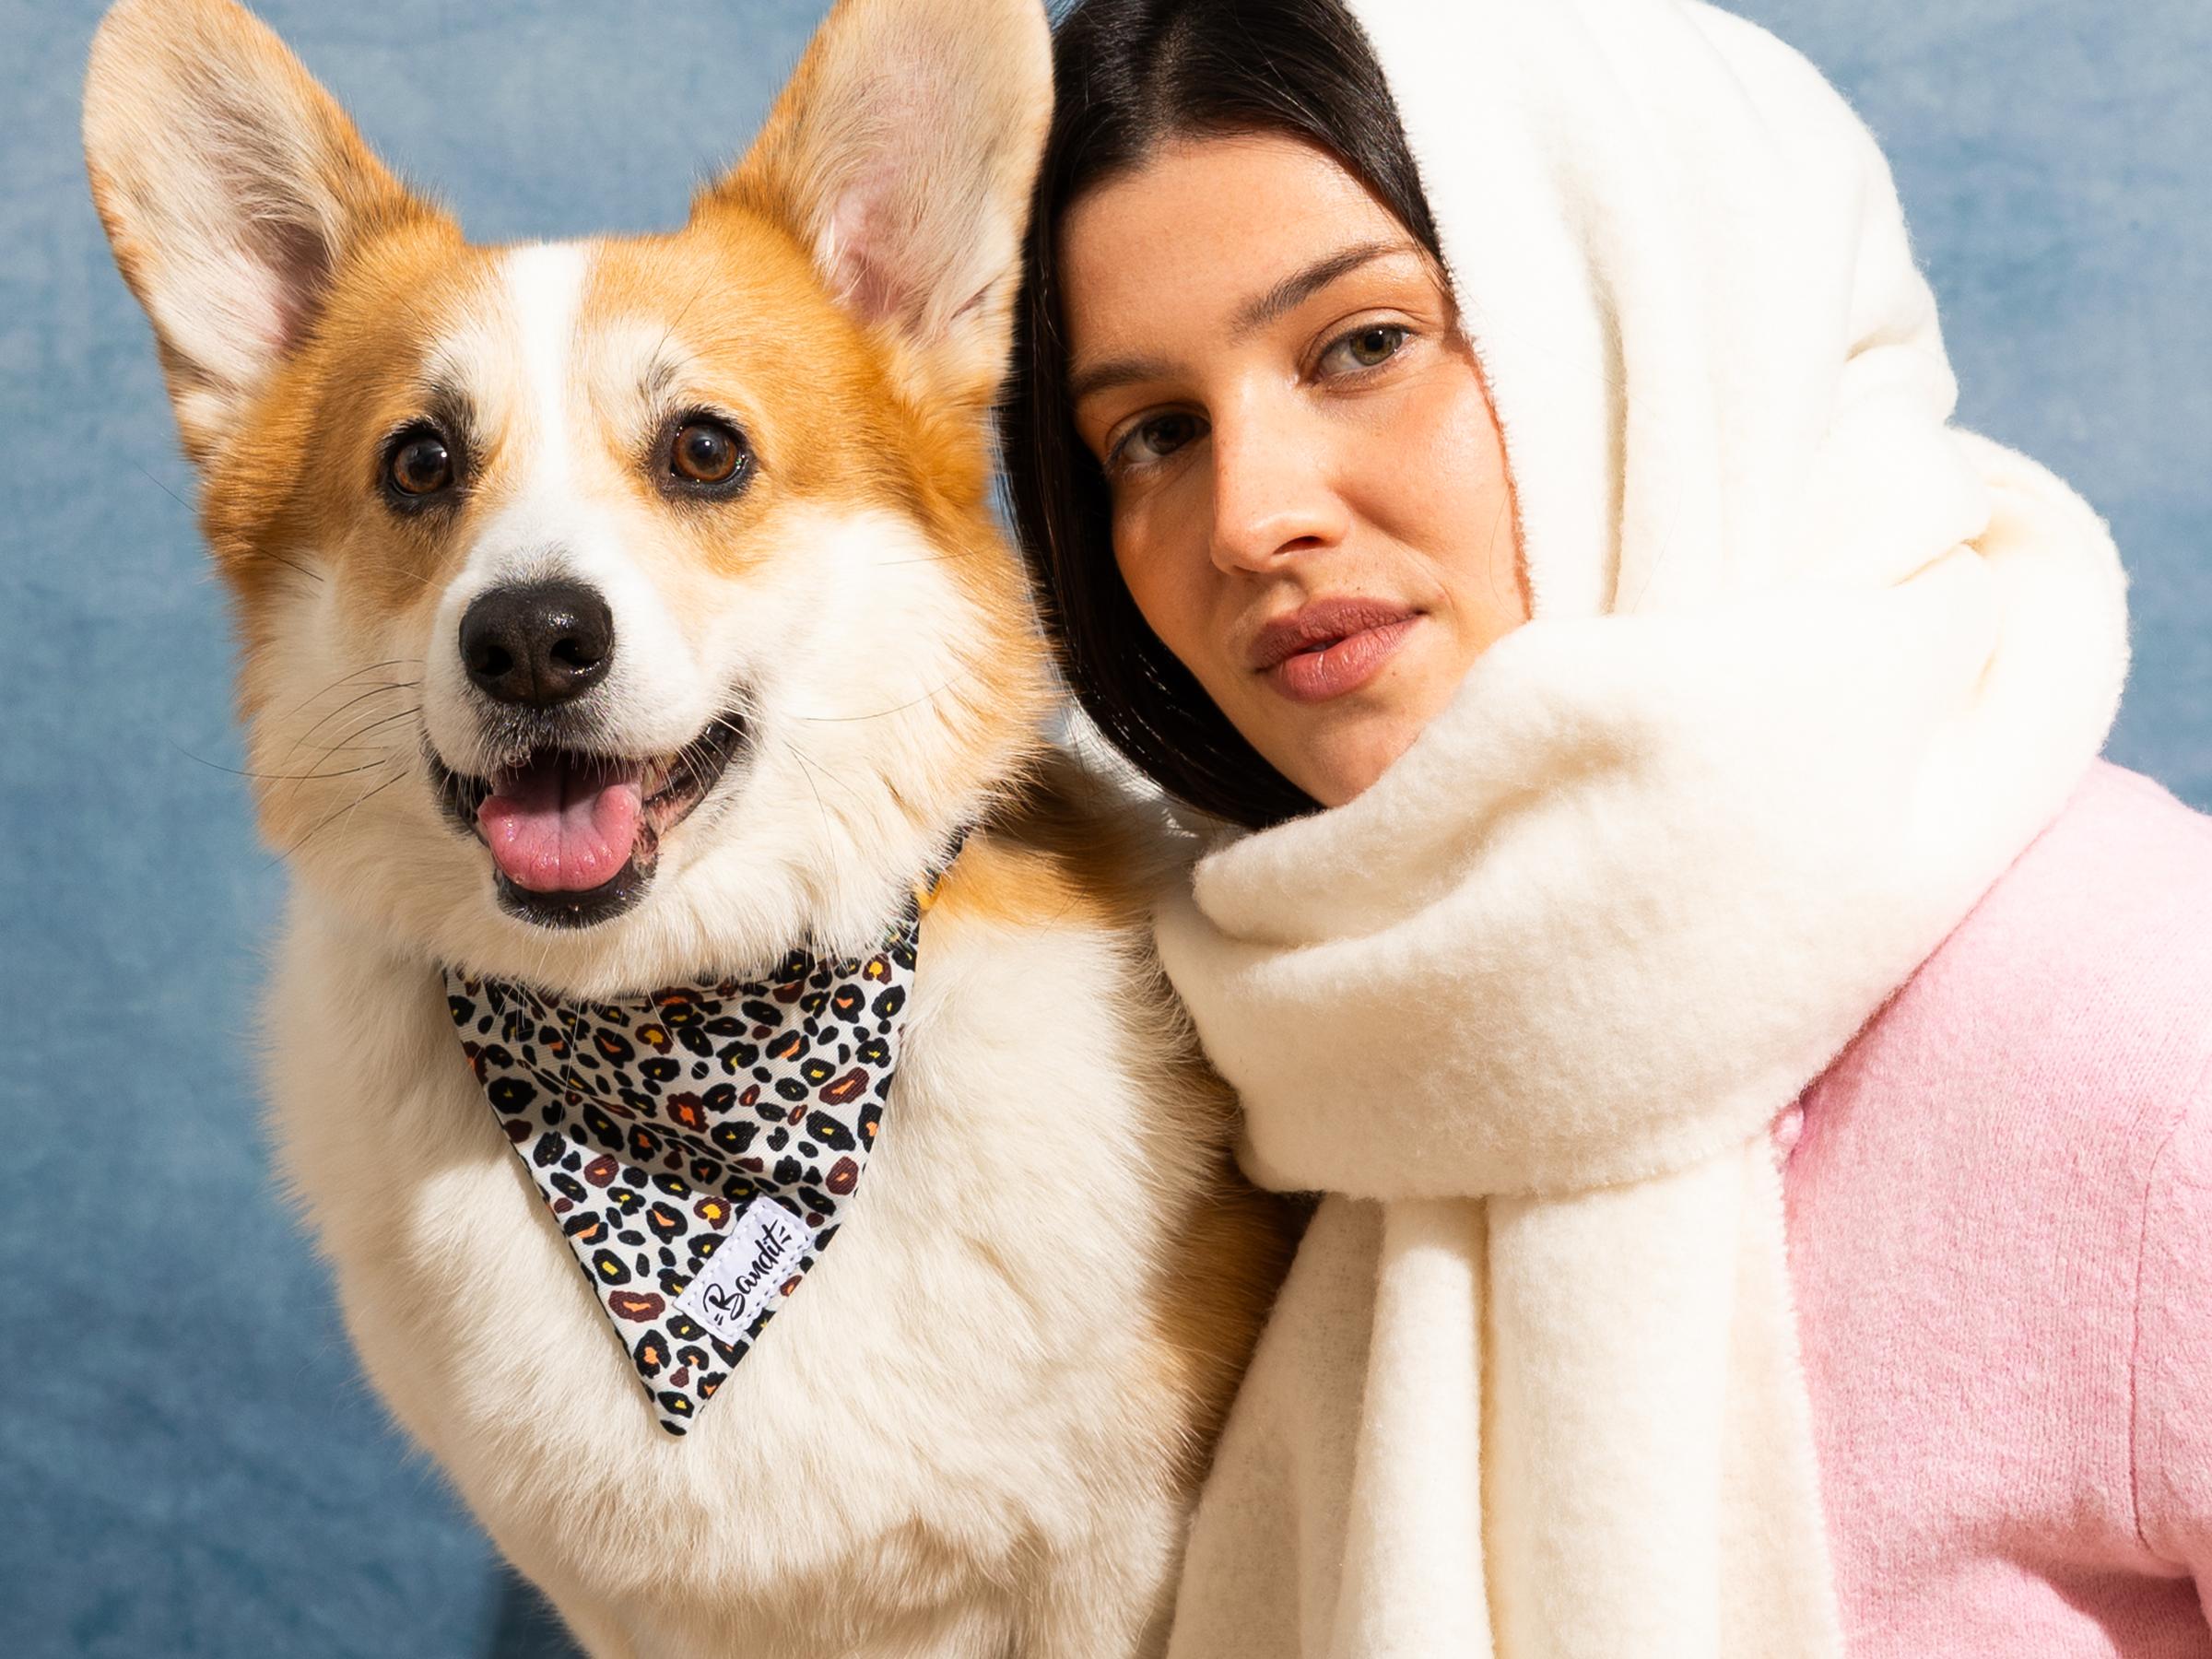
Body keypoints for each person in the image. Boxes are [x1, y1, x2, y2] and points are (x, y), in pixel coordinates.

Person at [1000, 0, 2212, 1654]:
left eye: (1362, 345)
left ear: (1646, 305)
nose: (1251, 515)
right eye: (1153, 433)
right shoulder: (1247, 1085)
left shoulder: (2153, 1037)